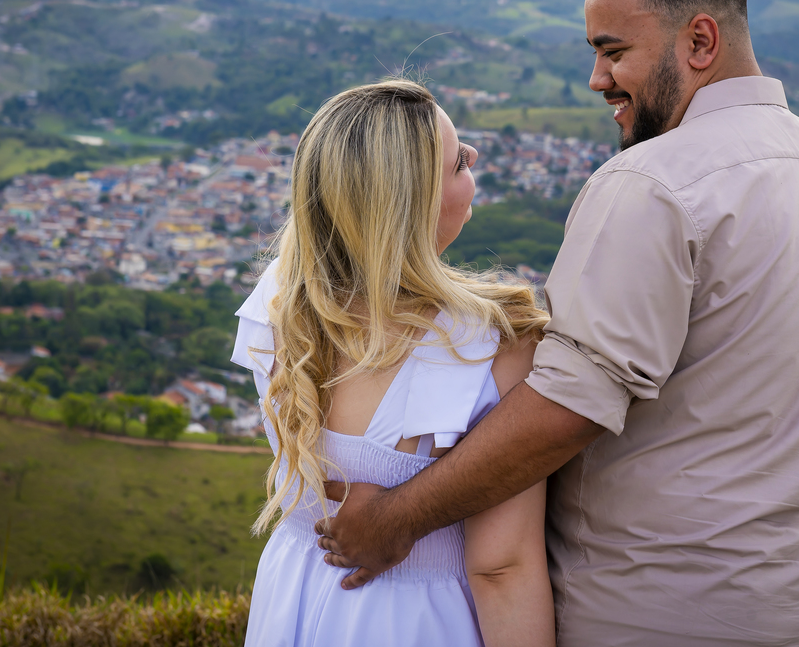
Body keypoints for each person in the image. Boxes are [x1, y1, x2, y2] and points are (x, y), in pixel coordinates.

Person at [315, 0, 799, 646]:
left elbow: (565, 407)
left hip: (650, 610)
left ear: (699, 42)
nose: (597, 80)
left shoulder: (653, 184)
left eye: (613, 52)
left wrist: (395, 518)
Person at [230, 80, 555, 647]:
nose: (474, 156)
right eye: (458, 162)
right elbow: (501, 567)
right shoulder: (494, 346)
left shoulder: (282, 305)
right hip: (420, 623)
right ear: (414, 208)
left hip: (292, 596)